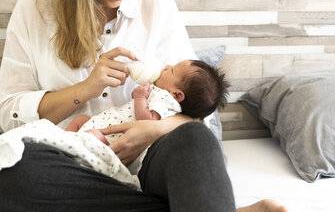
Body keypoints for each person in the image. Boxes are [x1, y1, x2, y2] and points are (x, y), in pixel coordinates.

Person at [0, 0, 288, 212]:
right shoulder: (34, 9)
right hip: (73, 161)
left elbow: (199, 114)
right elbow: (10, 114)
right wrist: (85, 89)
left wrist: (156, 128)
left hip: (149, 161)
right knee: (4, 167)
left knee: (196, 142)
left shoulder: (157, 6)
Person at [68, 59, 229, 174]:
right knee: (80, 120)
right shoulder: (163, 93)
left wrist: (139, 98)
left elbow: (147, 121)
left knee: (92, 136)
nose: (167, 66)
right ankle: (63, 141)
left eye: (172, 71)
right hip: (102, 126)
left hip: (111, 139)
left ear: (177, 95)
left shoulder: (166, 100)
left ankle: (66, 149)